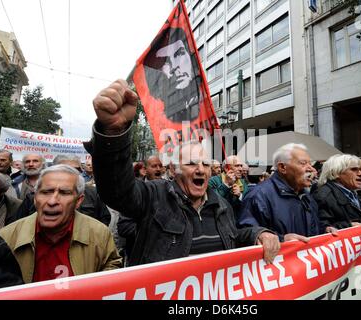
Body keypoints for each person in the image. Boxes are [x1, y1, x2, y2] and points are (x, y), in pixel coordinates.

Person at [85, 79, 280, 266]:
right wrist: (113, 132)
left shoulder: (221, 205)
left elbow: (234, 237)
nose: (201, 169)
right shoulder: (153, 197)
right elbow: (117, 191)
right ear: (173, 169)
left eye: (205, 164)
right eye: (191, 163)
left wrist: (259, 234)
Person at [0, 165, 122, 283]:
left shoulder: (99, 234)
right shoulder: (5, 239)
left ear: (78, 201)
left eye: (64, 193)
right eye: (46, 192)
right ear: (35, 198)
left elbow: (112, 266)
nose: (52, 201)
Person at [238, 143, 320, 242]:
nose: (311, 169)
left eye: (310, 164)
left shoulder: (305, 195)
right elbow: (243, 234)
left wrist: (325, 229)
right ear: (282, 167)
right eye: (303, 163)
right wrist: (280, 239)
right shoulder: (259, 196)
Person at [15, 155, 111, 226]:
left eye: (76, 169)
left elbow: (104, 218)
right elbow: (19, 225)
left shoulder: (92, 193)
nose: (52, 201)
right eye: (66, 169)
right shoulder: (34, 196)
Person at [312, 155, 361, 233]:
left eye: (360, 169)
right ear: (336, 173)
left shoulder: (355, 192)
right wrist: (348, 226)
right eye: (354, 169)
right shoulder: (323, 196)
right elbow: (320, 228)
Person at [144, 27, 201, 122]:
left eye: (179, 54)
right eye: (166, 63)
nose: (175, 67)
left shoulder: (201, 98)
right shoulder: (165, 115)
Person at [209, 155, 248, 219]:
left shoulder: (243, 183)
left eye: (241, 166)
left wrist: (240, 195)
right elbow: (212, 201)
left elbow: (248, 204)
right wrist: (226, 185)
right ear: (226, 168)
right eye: (237, 166)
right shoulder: (213, 181)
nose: (241, 169)